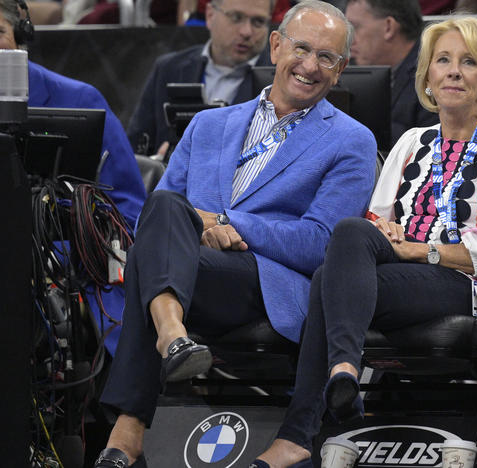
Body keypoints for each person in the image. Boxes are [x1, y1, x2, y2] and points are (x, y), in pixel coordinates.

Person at [253, 15, 477, 468]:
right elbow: (374, 229)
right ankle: (344, 375)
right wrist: (386, 233)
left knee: (330, 280)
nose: (452, 71)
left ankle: (305, 425)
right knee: (346, 244)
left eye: (468, 62)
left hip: (470, 284)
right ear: (426, 73)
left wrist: (416, 248)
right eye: (442, 59)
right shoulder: (411, 143)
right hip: (400, 276)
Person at [94, 1, 377, 467]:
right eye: (301, 48)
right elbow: (152, 224)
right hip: (193, 272)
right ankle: (172, 336)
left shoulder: (351, 140)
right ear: (275, 45)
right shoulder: (209, 124)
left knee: (157, 253)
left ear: (342, 69)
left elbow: (322, 244)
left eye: (327, 58)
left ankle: (128, 426)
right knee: (163, 206)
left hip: (263, 281)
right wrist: (194, 227)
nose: (309, 66)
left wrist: (225, 223)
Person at [0, 0, 147, 354]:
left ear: (20, 38)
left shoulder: (78, 98)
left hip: (55, 262)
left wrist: (58, 249)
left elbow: (126, 206)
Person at [126, 0, 274, 156]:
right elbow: (134, 149)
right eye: (236, 17)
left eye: (258, 22)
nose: (246, 32)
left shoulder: (277, 81)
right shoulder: (169, 68)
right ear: (210, 15)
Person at [345, 0, 438, 146]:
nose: (349, 40)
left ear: (389, 27)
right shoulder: (361, 71)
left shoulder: (432, 75)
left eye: (355, 27)